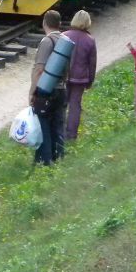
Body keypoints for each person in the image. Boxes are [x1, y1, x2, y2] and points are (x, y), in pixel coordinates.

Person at [28, 9, 67, 165]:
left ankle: (45, 160)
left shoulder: (47, 41)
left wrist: (32, 92)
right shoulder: (65, 41)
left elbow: (39, 69)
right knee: (57, 124)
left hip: (46, 90)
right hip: (61, 89)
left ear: (44, 23)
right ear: (59, 24)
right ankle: (59, 156)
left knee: (43, 124)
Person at [63, 9, 97, 141]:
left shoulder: (64, 35)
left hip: (64, 77)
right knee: (75, 105)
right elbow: (92, 63)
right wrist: (90, 80)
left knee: (62, 104)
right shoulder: (90, 40)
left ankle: (59, 131)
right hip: (80, 78)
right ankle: (71, 135)